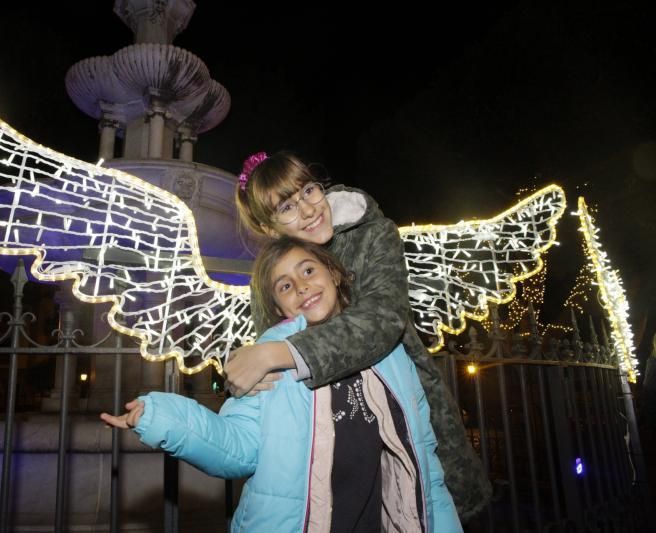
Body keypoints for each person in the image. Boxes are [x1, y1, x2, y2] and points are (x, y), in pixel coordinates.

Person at [101, 237, 461, 532]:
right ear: (279, 307)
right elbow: (238, 447)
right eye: (286, 286)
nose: (302, 286)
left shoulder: (388, 350)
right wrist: (162, 417)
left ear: (334, 274)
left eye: (308, 270)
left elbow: (423, 459)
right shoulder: (268, 355)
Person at [225, 151, 490, 520]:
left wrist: (279, 355)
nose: (307, 210)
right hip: (323, 444)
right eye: (286, 208)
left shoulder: (374, 234)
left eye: (308, 191)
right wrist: (250, 376)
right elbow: (266, 348)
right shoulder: (269, 278)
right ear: (270, 228)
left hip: (402, 420)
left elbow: (382, 318)